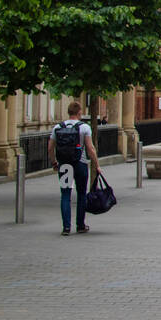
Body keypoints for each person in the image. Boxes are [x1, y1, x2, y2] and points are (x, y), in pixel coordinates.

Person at [53, 101, 100, 236]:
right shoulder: (84, 127)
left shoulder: (58, 127)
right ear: (79, 112)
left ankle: (66, 227)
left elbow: (50, 147)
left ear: (68, 112)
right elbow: (90, 148)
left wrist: (54, 162)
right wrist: (96, 165)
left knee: (65, 194)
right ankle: (80, 225)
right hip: (80, 163)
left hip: (65, 164)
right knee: (81, 194)